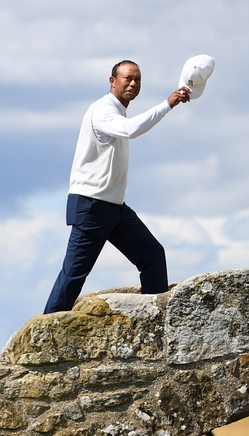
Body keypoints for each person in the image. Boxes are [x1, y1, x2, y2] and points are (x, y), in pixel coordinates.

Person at [43, 60, 191, 313]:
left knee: (152, 255)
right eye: (127, 78)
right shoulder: (102, 110)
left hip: (114, 207)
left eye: (137, 79)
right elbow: (130, 130)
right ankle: (44, 337)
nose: (133, 83)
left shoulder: (118, 111)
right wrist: (168, 104)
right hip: (92, 206)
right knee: (74, 274)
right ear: (113, 81)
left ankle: (155, 325)